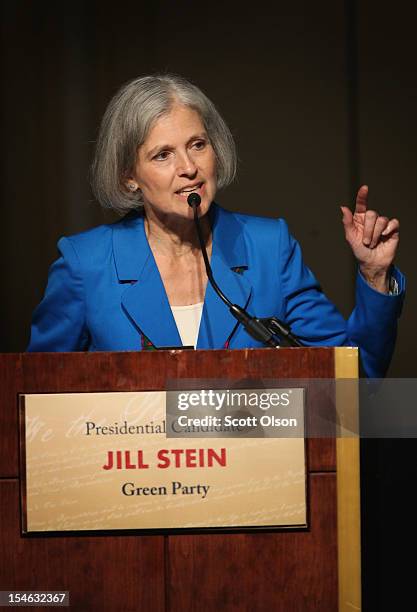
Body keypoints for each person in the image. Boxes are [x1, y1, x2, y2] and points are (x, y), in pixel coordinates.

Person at [27, 74, 404, 377]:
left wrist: (375, 276)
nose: (188, 167)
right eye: (163, 155)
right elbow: (35, 396)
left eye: (197, 144)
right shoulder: (85, 263)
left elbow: (353, 378)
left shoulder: (267, 247)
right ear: (129, 176)